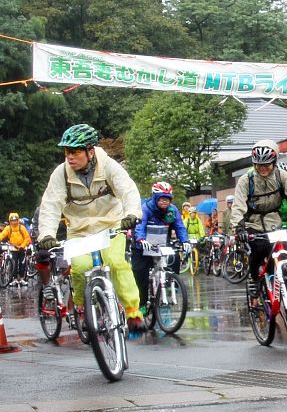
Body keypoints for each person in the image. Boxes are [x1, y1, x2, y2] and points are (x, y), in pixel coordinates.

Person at [36, 123, 145, 331]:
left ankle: (133, 312)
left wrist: (132, 214)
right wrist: (47, 234)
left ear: (90, 151)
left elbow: (128, 190)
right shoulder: (60, 174)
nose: (70, 157)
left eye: (76, 152)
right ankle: (82, 307)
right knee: (80, 269)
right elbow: (50, 205)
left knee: (116, 262)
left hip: (111, 225)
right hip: (79, 230)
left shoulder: (109, 166)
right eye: (67, 152)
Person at [229, 140, 287, 300]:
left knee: (282, 250)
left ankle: (283, 282)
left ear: (274, 162)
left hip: (274, 223)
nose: (263, 168)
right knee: (257, 251)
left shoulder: (282, 176)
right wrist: (239, 228)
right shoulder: (246, 180)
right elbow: (238, 206)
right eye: (259, 165)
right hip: (253, 223)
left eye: (267, 165)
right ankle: (254, 279)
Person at [131, 182, 191, 316]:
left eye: (168, 198)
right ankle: (142, 303)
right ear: (155, 197)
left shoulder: (173, 210)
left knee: (174, 258)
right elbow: (140, 225)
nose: (165, 201)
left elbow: (180, 227)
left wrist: (185, 241)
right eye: (162, 198)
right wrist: (141, 239)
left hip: (162, 245)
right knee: (140, 273)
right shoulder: (145, 208)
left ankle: (171, 285)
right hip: (143, 246)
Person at [0, 212, 32, 286]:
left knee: (22, 264)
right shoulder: (8, 228)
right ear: (10, 220)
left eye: (15, 220)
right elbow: (2, 235)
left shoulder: (22, 228)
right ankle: (14, 279)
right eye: (12, 220)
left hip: (21, 249)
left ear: (18, 220)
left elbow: (27, 238)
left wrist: (22, 246)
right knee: (13, 264)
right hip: (13, 249)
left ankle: (22, 279)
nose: (14, 222)